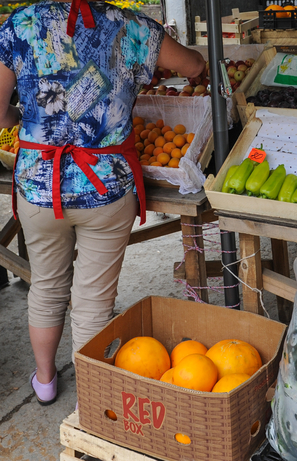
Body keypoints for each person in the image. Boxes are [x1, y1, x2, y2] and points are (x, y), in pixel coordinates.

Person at [0, 0, 206, 406]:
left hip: (40, 184)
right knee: (94, 300)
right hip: (105, 187)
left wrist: (19, 117)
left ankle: (44, 382)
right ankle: (90, 400)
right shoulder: (131, 25)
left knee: (46, 286)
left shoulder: (19, 24)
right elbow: (193, 67)